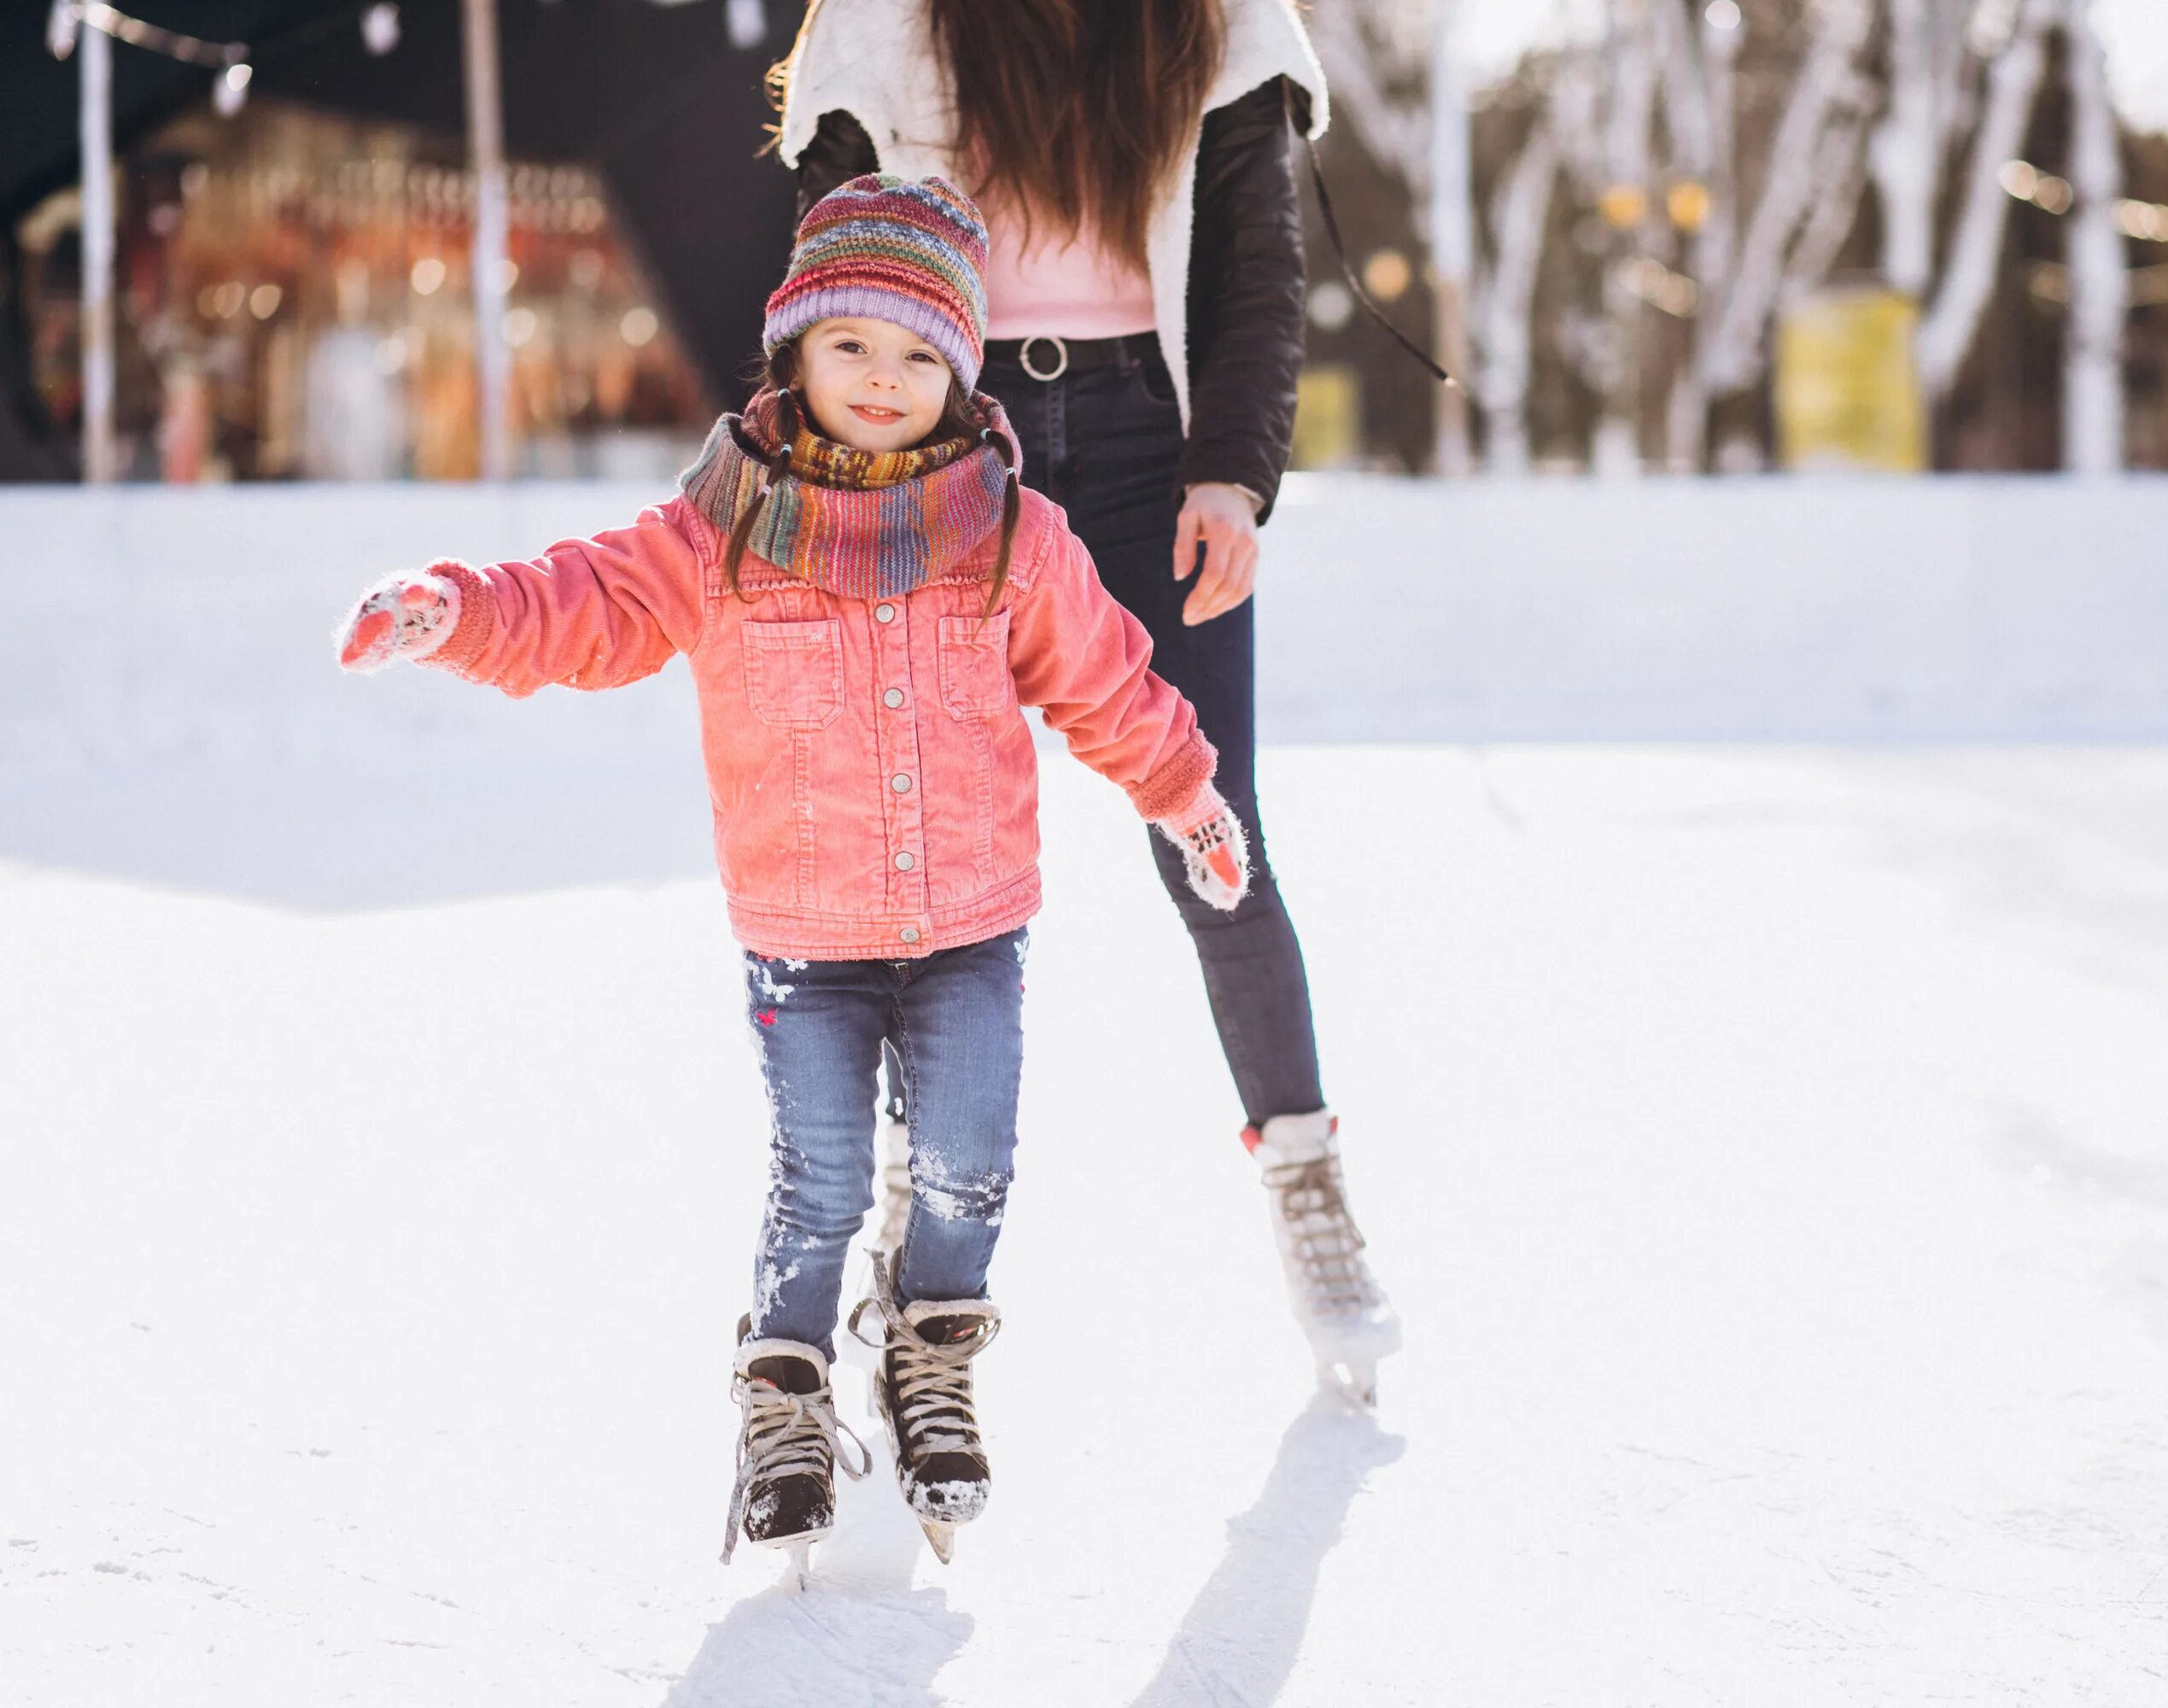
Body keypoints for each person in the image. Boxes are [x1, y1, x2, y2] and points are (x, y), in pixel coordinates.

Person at [331, 176, 1249, 1571]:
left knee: (968, 1169)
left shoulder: (1007, 531)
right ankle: (784, 1389)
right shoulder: (718, 530)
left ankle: (931, 1352)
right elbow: (583, 604)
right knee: (820, 1182)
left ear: (962, 372)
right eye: (853, 347)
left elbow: (1107, 684)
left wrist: (1185, 790)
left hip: (970, 924)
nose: (885, 381)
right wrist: (459, 610)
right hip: (804, 936)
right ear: (795, 349)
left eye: (921, 355)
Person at [773, 0, 1400, 1404]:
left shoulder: (1218, 23)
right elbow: (833, 246)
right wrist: (841, 463)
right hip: (947, 430)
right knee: (906, 839)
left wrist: (1234, 476)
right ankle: (899, 1188)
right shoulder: (886, 18)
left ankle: (1303, 1175)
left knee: (1213, 836)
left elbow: (1256, 268)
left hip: (1148, 441)